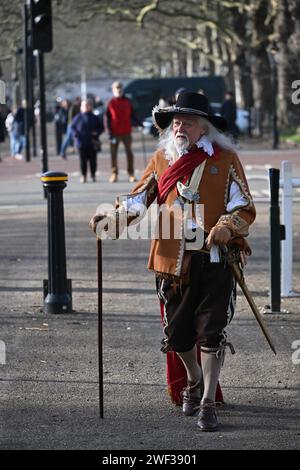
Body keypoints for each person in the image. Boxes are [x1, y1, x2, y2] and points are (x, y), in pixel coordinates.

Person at [90, 92, 256, 431]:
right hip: (171, 261)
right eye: (176, 121)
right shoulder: (160, 160)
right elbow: (137, 202)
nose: (180, 127)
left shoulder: (224, 160)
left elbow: (244, 208)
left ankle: (208, 401)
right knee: (178, 335)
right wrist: (113, 220)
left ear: (204, 128)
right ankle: (193, 381)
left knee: (211, 333)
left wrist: (227, 226)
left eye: (188, 122)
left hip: (215, 259)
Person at [106, 81, 141, 183]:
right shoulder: (111, 102)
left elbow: (133, 115)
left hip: (126, 131)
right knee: (113, 154)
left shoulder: (127, 101)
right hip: (114, 132)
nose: (119, 89)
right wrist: (109, 132)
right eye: (117, 88)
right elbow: (107, 118)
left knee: (129, 153)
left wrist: (140, 124)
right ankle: (114, 173)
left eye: (120, 87)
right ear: (113, 90)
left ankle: (131, 174)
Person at [71, 99, 104, 183]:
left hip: (92, 143)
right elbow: (72, 127)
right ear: (81, 107)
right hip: (81, 143)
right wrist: (75, 134)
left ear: (91, 107)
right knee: (83, 161)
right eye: (83, 105)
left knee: (93, 161)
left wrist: (97, 133)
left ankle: (93, 175)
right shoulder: (78, 117)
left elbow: (101, 127)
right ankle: (84, 176)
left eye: (87, 105)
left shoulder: (94, 117)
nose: (85, 107)